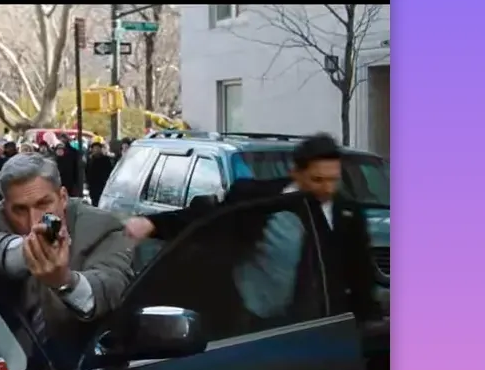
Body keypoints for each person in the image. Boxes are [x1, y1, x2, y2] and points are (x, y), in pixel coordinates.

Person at [124, 132, 381, 326]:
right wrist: (153, 224)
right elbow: (210, 218)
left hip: (316, 327)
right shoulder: (260, 200)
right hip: (249, 322)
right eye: (317, 179)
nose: (327, 188)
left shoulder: (347, 215)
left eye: (333, 180)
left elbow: (360, 275)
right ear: (297, 174)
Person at [0, 153, 135, 369]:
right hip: (6, 368)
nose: (33, 220)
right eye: (19, 209)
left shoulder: (103, 226)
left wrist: (66, 282)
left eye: (43, 204)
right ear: (5, 206)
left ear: (63, 197)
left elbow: (109, 287)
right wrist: (31, 251)